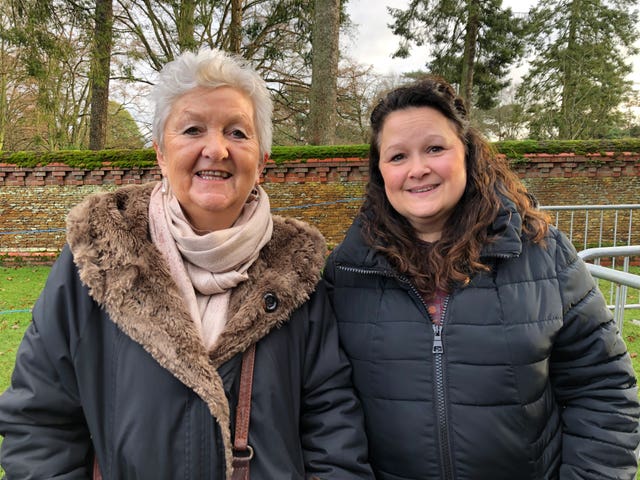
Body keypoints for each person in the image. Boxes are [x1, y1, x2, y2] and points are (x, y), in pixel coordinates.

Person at [0, 48, 374, 480]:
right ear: (160, 153)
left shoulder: (297, 273)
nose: (215, 149)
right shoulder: (98, 259)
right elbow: (40, 423)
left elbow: (332, 430)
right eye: (193, 129)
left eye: (237, 132)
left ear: (262, 161)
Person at [323, 75, 640, 480]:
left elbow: (603, 391)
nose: (417, 169)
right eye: (397, 156)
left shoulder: (543, 255)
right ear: (380, 170)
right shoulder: (348, 271)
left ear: (467, 154)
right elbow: (327, 405)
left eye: (434, 148)